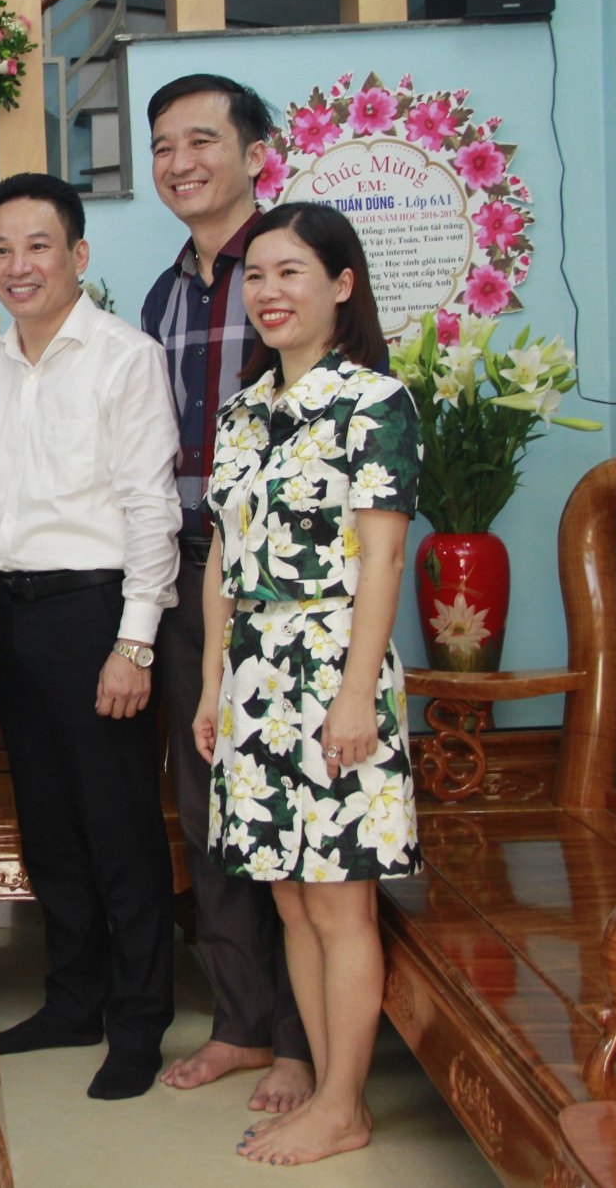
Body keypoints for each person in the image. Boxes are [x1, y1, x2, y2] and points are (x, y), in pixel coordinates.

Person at [194, 201, 422, 1166]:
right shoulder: (245, 410)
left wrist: (356, 692)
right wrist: (211, 686)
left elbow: (383, 563)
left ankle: (342, 1100)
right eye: (256, 275)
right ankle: (328, 1094)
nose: (269, 292)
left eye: (291, 273)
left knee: (340, 900)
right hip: (253, 675)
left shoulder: (374, 401)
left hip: (334, 664)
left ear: (341, 284)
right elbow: (221, 558)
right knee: (289, 895)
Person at [0, 172, 181, 1099]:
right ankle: (73, 999)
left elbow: (152, 509)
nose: (20, 266)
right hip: (18, 619)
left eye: (39, 246)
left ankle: (139, 1020)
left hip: (101, 613)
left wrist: (134, 642)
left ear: (79, 256)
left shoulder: (123, 357)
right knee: (51, 825)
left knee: (121, 828)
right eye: (3, 249)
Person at [139, 74, 315, 1113]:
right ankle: (242, 1023)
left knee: (290, 813)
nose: (178, 162)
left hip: (284, 586)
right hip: (187, 575)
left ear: (257, 153)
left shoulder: (290, 266)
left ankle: (304, 1038)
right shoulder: (164, 290)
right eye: (162, 146)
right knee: (208, 808)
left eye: (201, 140)